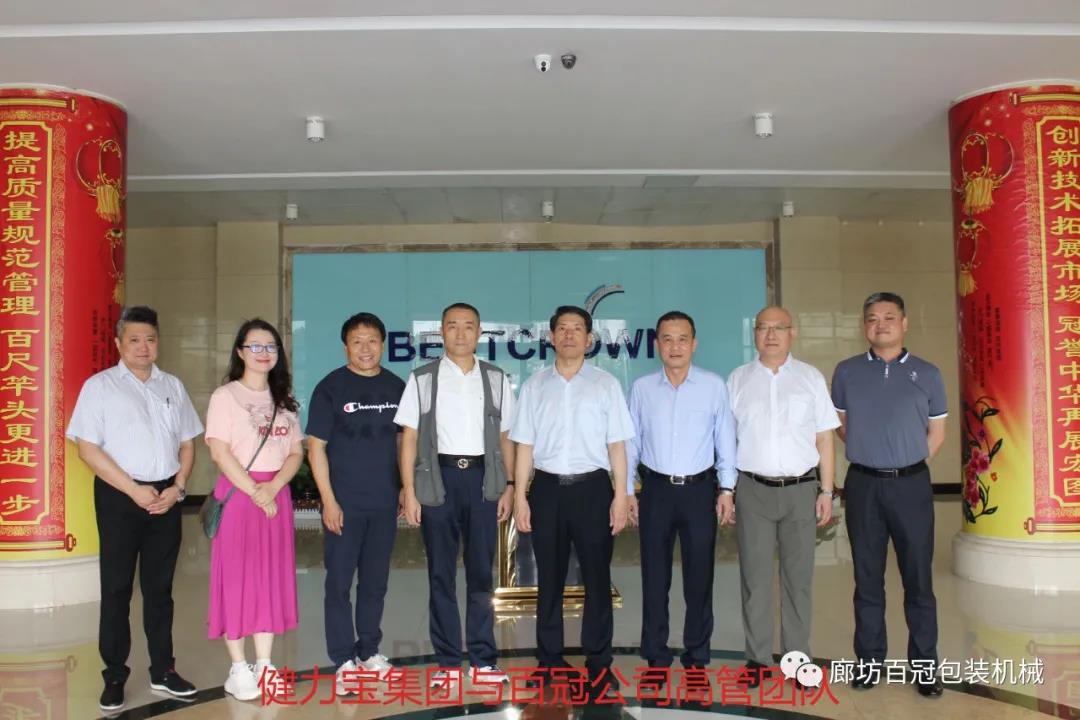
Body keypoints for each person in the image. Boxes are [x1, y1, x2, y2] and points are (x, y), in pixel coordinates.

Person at [66, 306, 202, 712]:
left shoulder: (172, 386)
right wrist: (133, 490)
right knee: (117, 588)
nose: (144, 347)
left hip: (166, 496)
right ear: (119, 343)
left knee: (160, 590)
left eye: (150, 339)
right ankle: (114, 675)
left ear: (158, 342)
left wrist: (178, 487)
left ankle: (163, 670)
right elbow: (87, 448)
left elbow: (187, 443)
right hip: (119, 497)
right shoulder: (100, 387)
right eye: (135, 340)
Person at [511, 305, 634, 700]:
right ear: (550, 337)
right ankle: (549, 662)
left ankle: (599, 664)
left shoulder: (605, 385)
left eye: (576, 329)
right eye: (561, 328)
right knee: (549, 580)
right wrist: (520, 496)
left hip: (593, 489)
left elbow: (617, 446)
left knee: (597, 578)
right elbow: (524, 446)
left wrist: (621, 495)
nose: (568, 335)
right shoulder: (534, 386)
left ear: (589, 338)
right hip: (546, 490)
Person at [831, 292, 947, 698]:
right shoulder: (846, 372)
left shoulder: (927, 373)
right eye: (872, 318)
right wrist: (872, 451)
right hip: (863, 484)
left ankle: (925, 667)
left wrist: (905, 460)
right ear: (864, 325)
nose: (880, 324)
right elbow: (841, 425)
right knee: (867, 579)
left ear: (904, 323)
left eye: (889, 317)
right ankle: (869, 661)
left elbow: (937, 434)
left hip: (911, 486)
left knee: (918, 579)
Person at [396, 302, 516, 688]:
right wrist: (409, 490)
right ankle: (448, 663)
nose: (460, 333)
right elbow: (409, 437)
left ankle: (482, 660)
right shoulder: (422, 379)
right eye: (452, 326)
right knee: (440, 575)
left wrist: (510, 485)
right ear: (441, 331)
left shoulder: (496, 378)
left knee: (481, 574)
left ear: (479, 332)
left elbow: (506, 437)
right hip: (438, 481)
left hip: (483, 482)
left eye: (468, 326)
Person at [727, 306, 838, 687]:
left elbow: (825, 439)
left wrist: (827, 490)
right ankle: (757, 660)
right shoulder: (738, 380)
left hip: (800, 491)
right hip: (752, 489)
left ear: (793, 333)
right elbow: (726, 441)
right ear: (754, 334)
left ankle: (797, 659)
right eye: (763, 328)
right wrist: (727, 490)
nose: (771, 334)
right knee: (755, 580)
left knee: (798, 579)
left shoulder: (810, 378)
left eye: (779, 328)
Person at [626, 310, 736, 681]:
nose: (675, 346)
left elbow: (725, 440)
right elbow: (632, 443)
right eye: (667, 339)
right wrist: (626, 491)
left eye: (682, 339)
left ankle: (697, 657)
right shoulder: (642, 388)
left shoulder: (713, 386)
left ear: (694, 343)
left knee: (699, 578)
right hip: (655, 491)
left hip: (699, 491)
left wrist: (727, 488)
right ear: (657, 344)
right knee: (654, 578)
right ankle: (656, 658)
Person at [306, 312, 406, 695]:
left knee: (375, 582)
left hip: (383, 503)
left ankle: (369, 650)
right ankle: (343, 659)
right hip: (344, 504)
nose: (365, 348)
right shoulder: (330, 388)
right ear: (346, 346)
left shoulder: (395, 386)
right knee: (339, 583)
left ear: (383, 344)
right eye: (357, 341)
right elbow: (316, 448)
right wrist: (328, 501)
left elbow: (403, 441)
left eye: (372, 341)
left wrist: (404, 486)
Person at [204, 319, 304, 700]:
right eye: (256, 346)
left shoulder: (285, 400)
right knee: (236, 578)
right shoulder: (225, 396)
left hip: (275, 496)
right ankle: (238, 668)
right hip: (239, 495)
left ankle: (264, 664)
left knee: (269, 578)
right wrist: (255, 491)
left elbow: (295, 452)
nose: (264, 353)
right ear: (240, 352)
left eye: (271, 347)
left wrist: (273, 487)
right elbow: (219, 451)